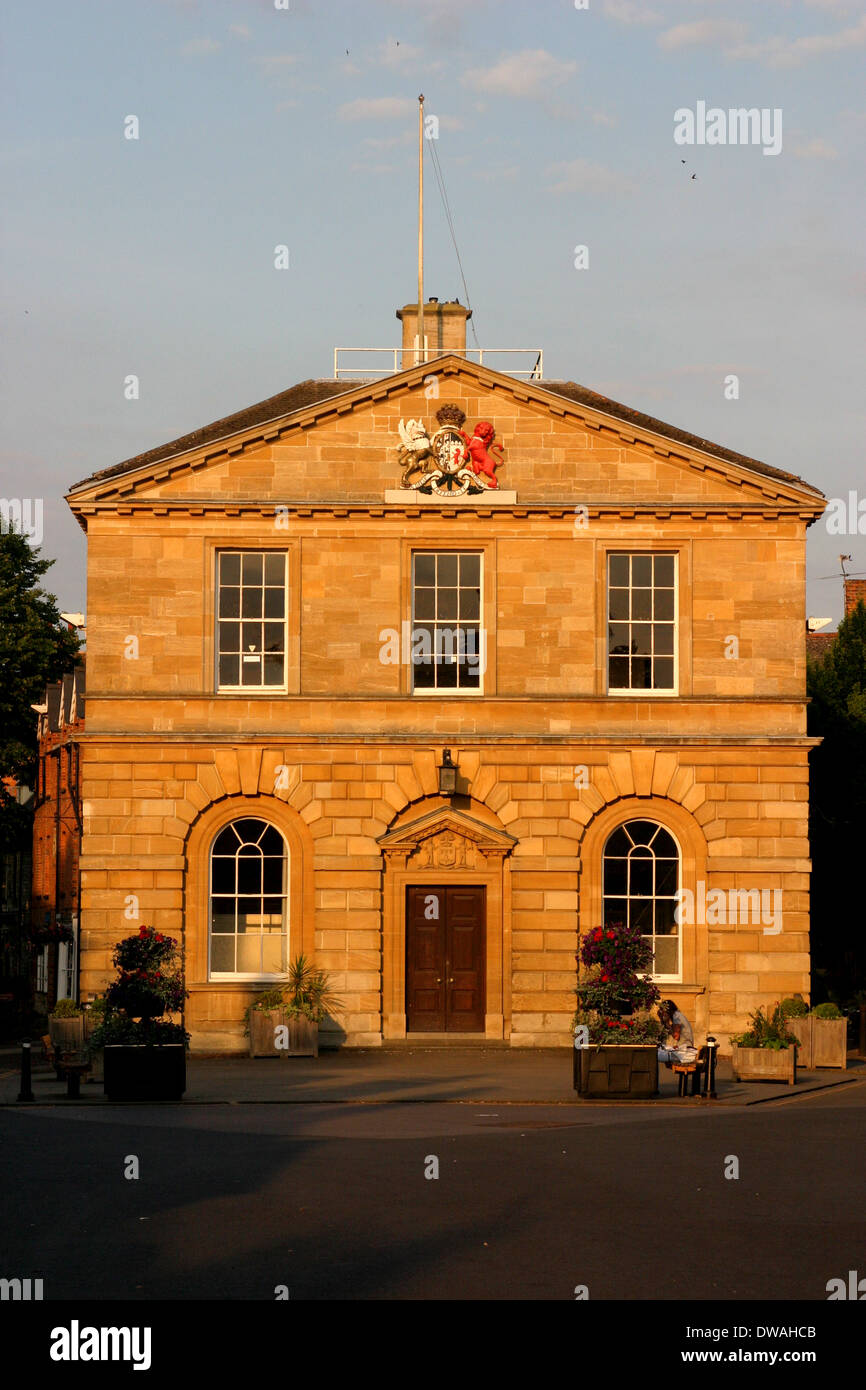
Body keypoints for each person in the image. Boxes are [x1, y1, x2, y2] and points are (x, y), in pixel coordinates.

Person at [657, 999, 698, 1065]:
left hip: (684, 1049)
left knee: (657, 1055)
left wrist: (666, 1023)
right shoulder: (677, 1015)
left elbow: (676, 1036)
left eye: (663, 1010)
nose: (663, 1013)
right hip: (683, 1048)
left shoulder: (676, 1016)